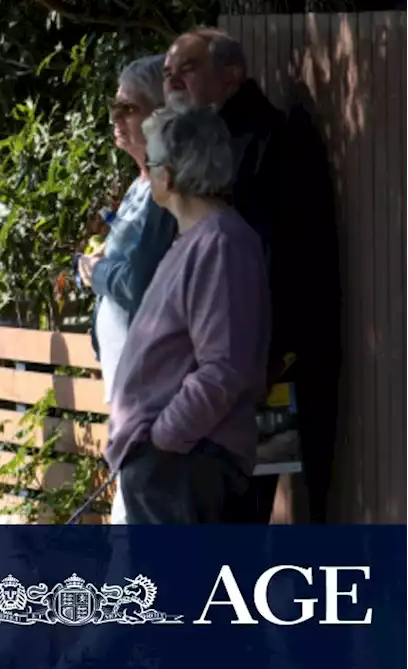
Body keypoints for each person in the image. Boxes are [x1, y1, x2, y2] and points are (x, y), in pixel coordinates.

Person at [164, 28, 341, 523]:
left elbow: (282, 265)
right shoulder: (206, 142)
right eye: (167, 73)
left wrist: (267, 360)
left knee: (237, 515)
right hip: (217, 373)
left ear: (233, 75)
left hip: (257, 370)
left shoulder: (267, 142)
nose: (174, 82)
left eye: (189, 69)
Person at [107, 104, 271, 524]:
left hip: (187, 465)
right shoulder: (195, 239)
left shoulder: (220, 243)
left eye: (155, 160)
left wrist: (163, 438)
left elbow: (224, 366)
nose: (150, 170)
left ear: (175, 172)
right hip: (171, 464)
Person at [77, 54, 177, 524]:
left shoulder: (164, 190)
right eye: (114, 108)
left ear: (160, 113)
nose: (116, 119)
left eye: (128, 108)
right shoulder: (139, 185)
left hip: (151, 386)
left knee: (136, 520)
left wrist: (96, 272)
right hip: (126, 384)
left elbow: (140, 283)